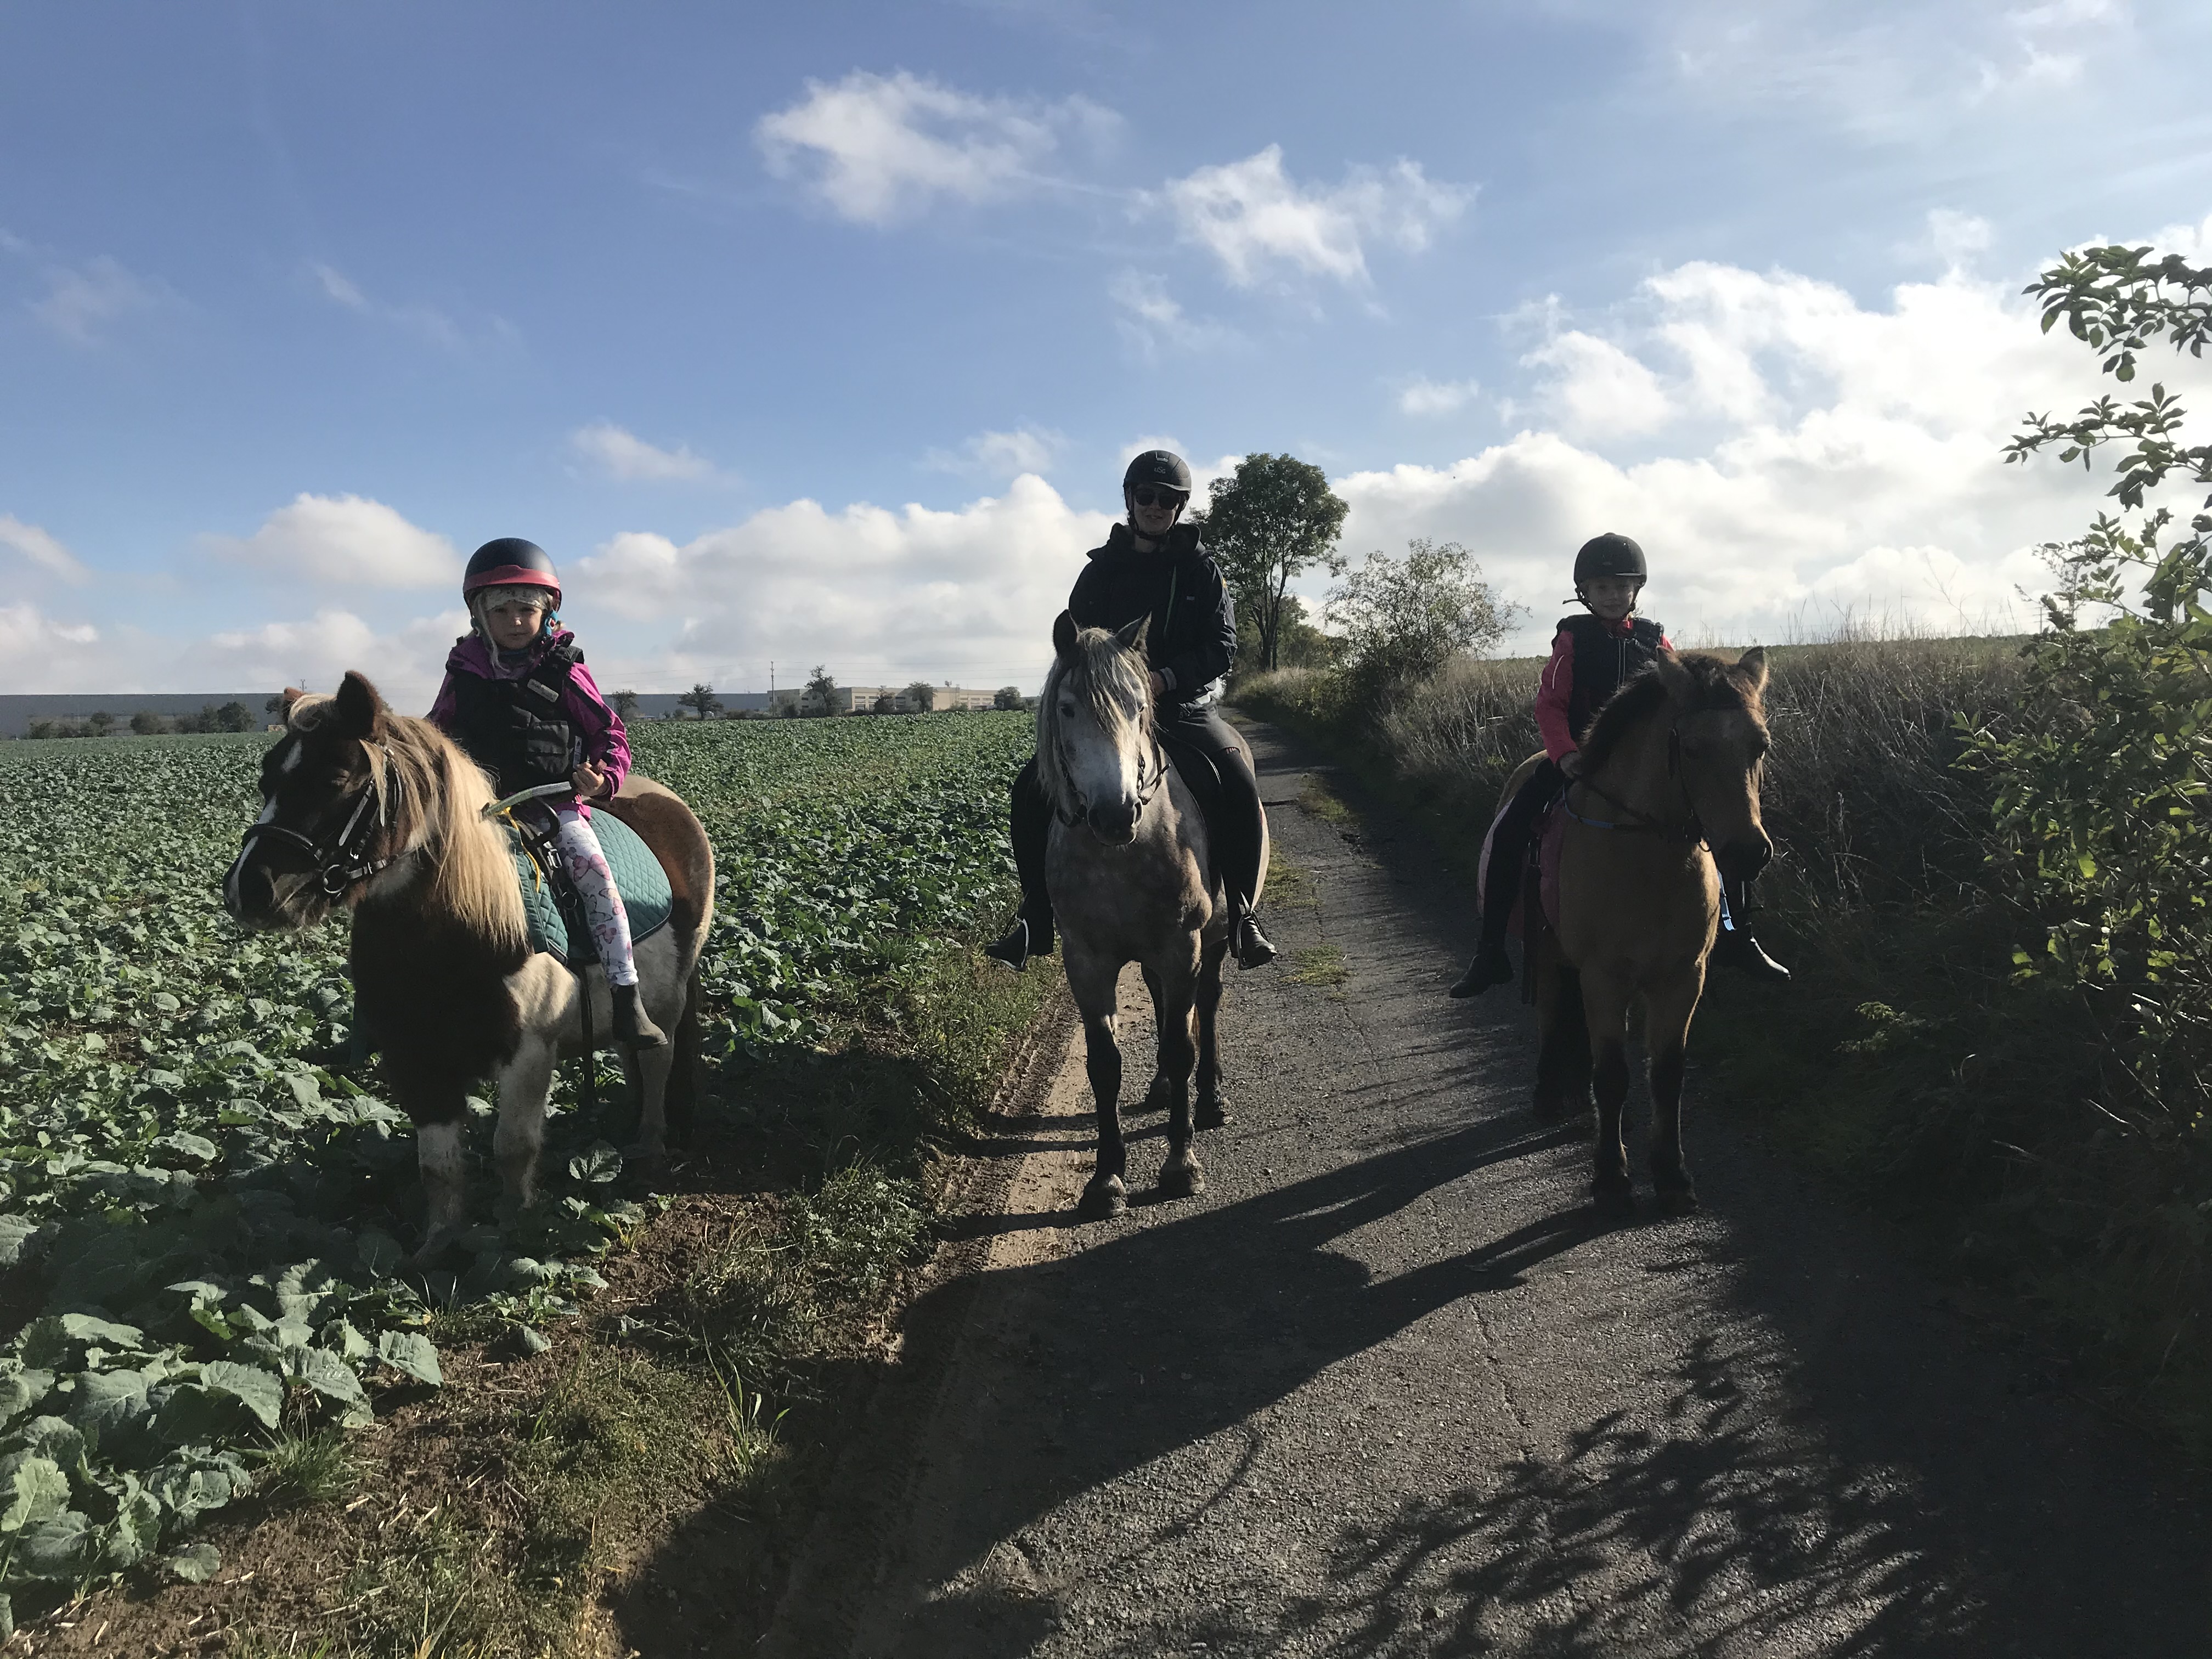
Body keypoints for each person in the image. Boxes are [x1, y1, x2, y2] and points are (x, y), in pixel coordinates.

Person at [1448, 532, 1790, 997]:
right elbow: (1550, 704)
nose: (1612, 596)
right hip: (1577, 758)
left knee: (1727, 823)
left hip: (1647, 765)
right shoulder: (1572, 639)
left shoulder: (1656, 641)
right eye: (1602, 588)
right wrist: (1564, 753)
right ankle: (1490, 951)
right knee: (1511, 828)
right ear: (1585, 592)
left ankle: (1737, 934)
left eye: (1622, 587)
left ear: (1636, 591)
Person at [985, 450, 1278, 973]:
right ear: (1130, 499)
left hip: (1179, 705)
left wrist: (1166, 679)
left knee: (1235, 776)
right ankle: (1036, 915)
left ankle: (1242, 914)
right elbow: (1072, 647)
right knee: (1030, 787)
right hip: (1109, 715)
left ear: (1180, 507)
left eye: (1168, 500)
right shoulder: (1099, 573)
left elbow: (1222, 646)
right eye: (1147, 496)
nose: (1156, 507)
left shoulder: (1201, 570)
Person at [427, 538, 667, 1048]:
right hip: (478, 813)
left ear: (546, 613)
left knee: (597, 881)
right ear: (479, 616)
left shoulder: (565, 667)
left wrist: (604, 779)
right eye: (503, 611)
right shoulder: (463, 671)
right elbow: (436, 737)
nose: (516, 621)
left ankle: (627, 999)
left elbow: (609, 734)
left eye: (526, 610)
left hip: (554, 807)